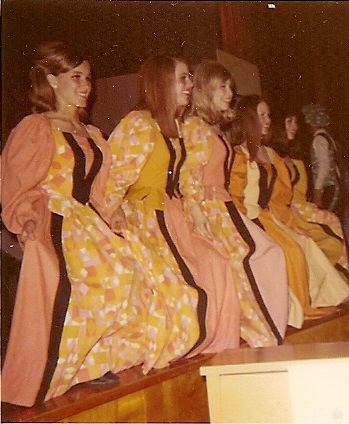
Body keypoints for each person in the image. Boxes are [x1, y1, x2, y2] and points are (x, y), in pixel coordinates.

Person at [1, 41, 142, 407]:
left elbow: (99, 191)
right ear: (51, 80)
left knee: (126, 270)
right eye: (76, 77)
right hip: (55, 216)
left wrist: (113, 213)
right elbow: (18, 183)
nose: (86, 86)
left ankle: (87, 363)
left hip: (85, 218)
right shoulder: (37, 128)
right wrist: (24, 217)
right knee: (90, 277)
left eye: (88, 78)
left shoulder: (92, 134)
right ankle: (54, 371)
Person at [96, 54, 242, 371]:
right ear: (162, 83)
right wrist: (113, 209)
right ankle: (176, 348)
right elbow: (113, 177)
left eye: (189, 77)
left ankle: (214, 349)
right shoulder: (138, 123)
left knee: (217, 263)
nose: (189, 84)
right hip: (144, 217)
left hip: (171, 214)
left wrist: (197, 215)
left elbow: (186, 177)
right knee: (181, 290)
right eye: (182, 78)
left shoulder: (176, 127)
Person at [180, 60, 289, 340]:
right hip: (210, 207)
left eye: (230, 87)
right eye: (222, 87)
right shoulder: (195, 127)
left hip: (222, 205)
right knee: (251, 259)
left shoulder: (212, 128)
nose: (229, 93)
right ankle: (259, 331)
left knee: (265, 254)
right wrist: (197, 212)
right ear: (206, 89)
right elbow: (189, 173)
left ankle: (265, 329)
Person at [229, 95, 349, 326]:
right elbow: (236, 197)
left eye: (268, 115)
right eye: (262, 115)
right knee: (292, 250)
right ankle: (297, 308)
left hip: (269, 215)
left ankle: (327, 295)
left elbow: (281, 196)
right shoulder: (238, 155)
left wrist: (291, 225)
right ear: (248, 118)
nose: (267, 120)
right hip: (250, 218)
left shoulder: (269, 153)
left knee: (305, 242)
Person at [272, 109, 349, 276]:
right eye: (289, 122)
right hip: (291, 210)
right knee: (329, 232)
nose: (294, 126)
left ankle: (335, 278)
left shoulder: (293, 152)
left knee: (333, 227)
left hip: (302, 205)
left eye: (296, 122)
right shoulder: (274, 156)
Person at [302, 103, 343, 216]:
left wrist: (317, 189)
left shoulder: (319, 140)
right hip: (334, 185)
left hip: (327, 187)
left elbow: (324, 165)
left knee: (325, 217)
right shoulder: (328, 137)